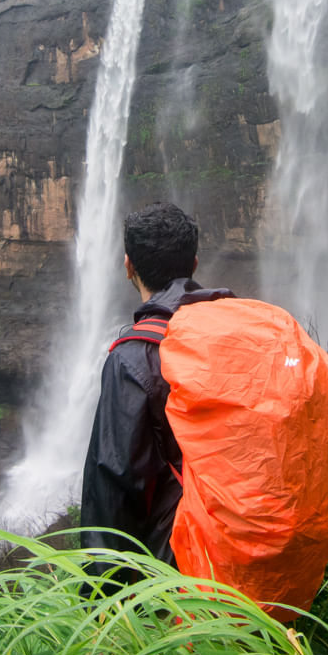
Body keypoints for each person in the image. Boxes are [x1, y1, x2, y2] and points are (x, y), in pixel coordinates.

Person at [79, 201, 230, 578]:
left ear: (127, 265)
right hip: (249, 541)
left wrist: (102, 610)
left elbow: (112, 493)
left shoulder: (133, 358)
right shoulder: (233, 332)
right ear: (194, 265)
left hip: (183, 575)